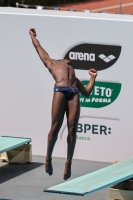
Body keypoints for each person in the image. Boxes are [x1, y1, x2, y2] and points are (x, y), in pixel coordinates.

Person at [29, 28, 97, 180]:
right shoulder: (52, 63)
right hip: (60, 90)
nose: (69, 61)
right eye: (66, 59)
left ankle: (68, 163)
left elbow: (86, 92)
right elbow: (38, 47)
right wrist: (32, 36)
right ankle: (48, 157)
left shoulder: (74, 76)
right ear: (60, 60)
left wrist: (93, 77)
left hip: (74, 92)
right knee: (55, 127)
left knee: (72, 129)